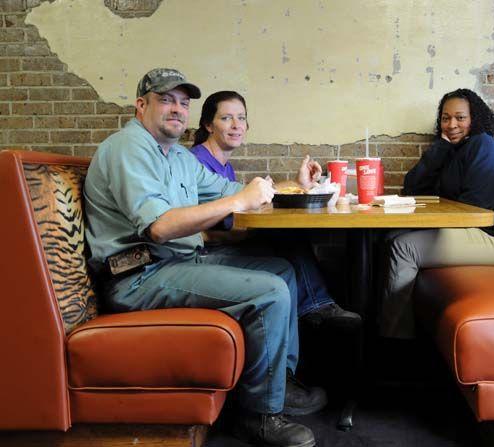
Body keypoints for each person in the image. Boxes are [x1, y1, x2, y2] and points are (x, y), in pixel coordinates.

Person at [84, 68, 323, 447]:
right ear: (141, 105)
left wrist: (295, 186)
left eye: (183, 101)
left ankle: (279, 383)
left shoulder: (178, 156)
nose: (177, 108)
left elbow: (234, 190)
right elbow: (160, 227)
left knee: (283, 269)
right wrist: (237, 201)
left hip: (176, 264)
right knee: (272, 290)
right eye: (166, 99)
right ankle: (261, 416)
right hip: (136, 277)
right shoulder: (128, 148)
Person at [190, 90, 361, 329]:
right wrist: (244, 232)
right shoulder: (197, 161)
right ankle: (316, 309)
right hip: (206, 253)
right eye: (226, 118)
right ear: (209, 124)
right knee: (286, 236)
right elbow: (204, 225)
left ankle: (315, 309)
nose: (236, 125)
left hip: (227, 242)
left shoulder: (222, 165)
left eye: (241, 118)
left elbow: (252, 197)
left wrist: (299, 185)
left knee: (287, 236)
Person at [380, 88, 494, 339]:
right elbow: (412, 189)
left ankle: (396, 346)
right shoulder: (451, 151)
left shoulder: (484, 145)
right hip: (474, 232)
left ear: (475, 118)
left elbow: (475, 208)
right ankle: (387, 326)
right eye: (445, 118)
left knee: (403, 247)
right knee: (389, 236)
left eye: (460, 118)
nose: (452, 124)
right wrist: (440, 148)